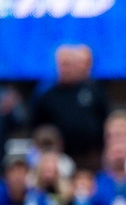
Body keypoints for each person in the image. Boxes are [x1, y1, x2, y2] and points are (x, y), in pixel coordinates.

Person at [30, 44, 110, 172]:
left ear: (76, 65)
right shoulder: (47, 96)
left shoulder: (93, 91)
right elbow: (36, 127)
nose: (65, 68)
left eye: (69, 64)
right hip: (59, 159)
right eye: (62, 64)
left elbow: (105, 120)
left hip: (91, 157)